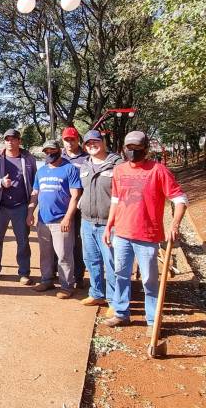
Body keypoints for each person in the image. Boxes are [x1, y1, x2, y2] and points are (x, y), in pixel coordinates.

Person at [102, 131, 187, 333]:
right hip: (121, 233)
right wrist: (109, 226)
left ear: (146, 149)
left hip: (147, 236)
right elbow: (116, 200)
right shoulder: (119, 171)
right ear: (124, 149)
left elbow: (180, 199)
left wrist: (175, 224)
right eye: (129, 148)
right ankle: (121, 313)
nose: (133, 152)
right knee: (121, 275)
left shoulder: (159, 171)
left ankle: (152, 321)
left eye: (137, 148)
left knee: (149, 280)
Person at [27, 140, 82, 299]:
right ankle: (46, 280)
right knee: (45, 254)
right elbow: (35, 194)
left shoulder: (69, 169)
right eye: (47, 151)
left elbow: (75, 196)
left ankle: (67, 286)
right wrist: (30, 212)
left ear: (59, 150)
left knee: (64, 254)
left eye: (53, 150)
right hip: (43, 220)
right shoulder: (41, 171)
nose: (50, 153)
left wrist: (67, 218)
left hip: (61, 221)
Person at [0, 128, 37, 284]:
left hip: (21, 206)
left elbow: (35, 183)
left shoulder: (28, 159)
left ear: (19, 141)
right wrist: (0, 183)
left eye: (13, 139)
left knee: (23, 241)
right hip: (0, 207)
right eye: (7, 139)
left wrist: (31, 209)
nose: (10, 142)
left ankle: (24, 273)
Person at [78, 130, 122, 313]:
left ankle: (114, 301)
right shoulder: (84, 165)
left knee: (112, 263)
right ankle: (96, 294)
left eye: (95, 142)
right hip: (87, 222)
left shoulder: (117, 164)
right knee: (91, 260)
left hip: (109, 224)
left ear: (103, 142)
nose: (92, 145)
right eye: (88, 143)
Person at [61, 126, 88, 288]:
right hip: (61, 207)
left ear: (78, 139)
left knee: (78, 242)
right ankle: (62, 274)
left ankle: (78, 275)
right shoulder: (58, 157)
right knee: (61, 242)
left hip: (80, 208)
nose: (69, 143)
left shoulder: (86, 158)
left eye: (72, 139)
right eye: (66, 140)